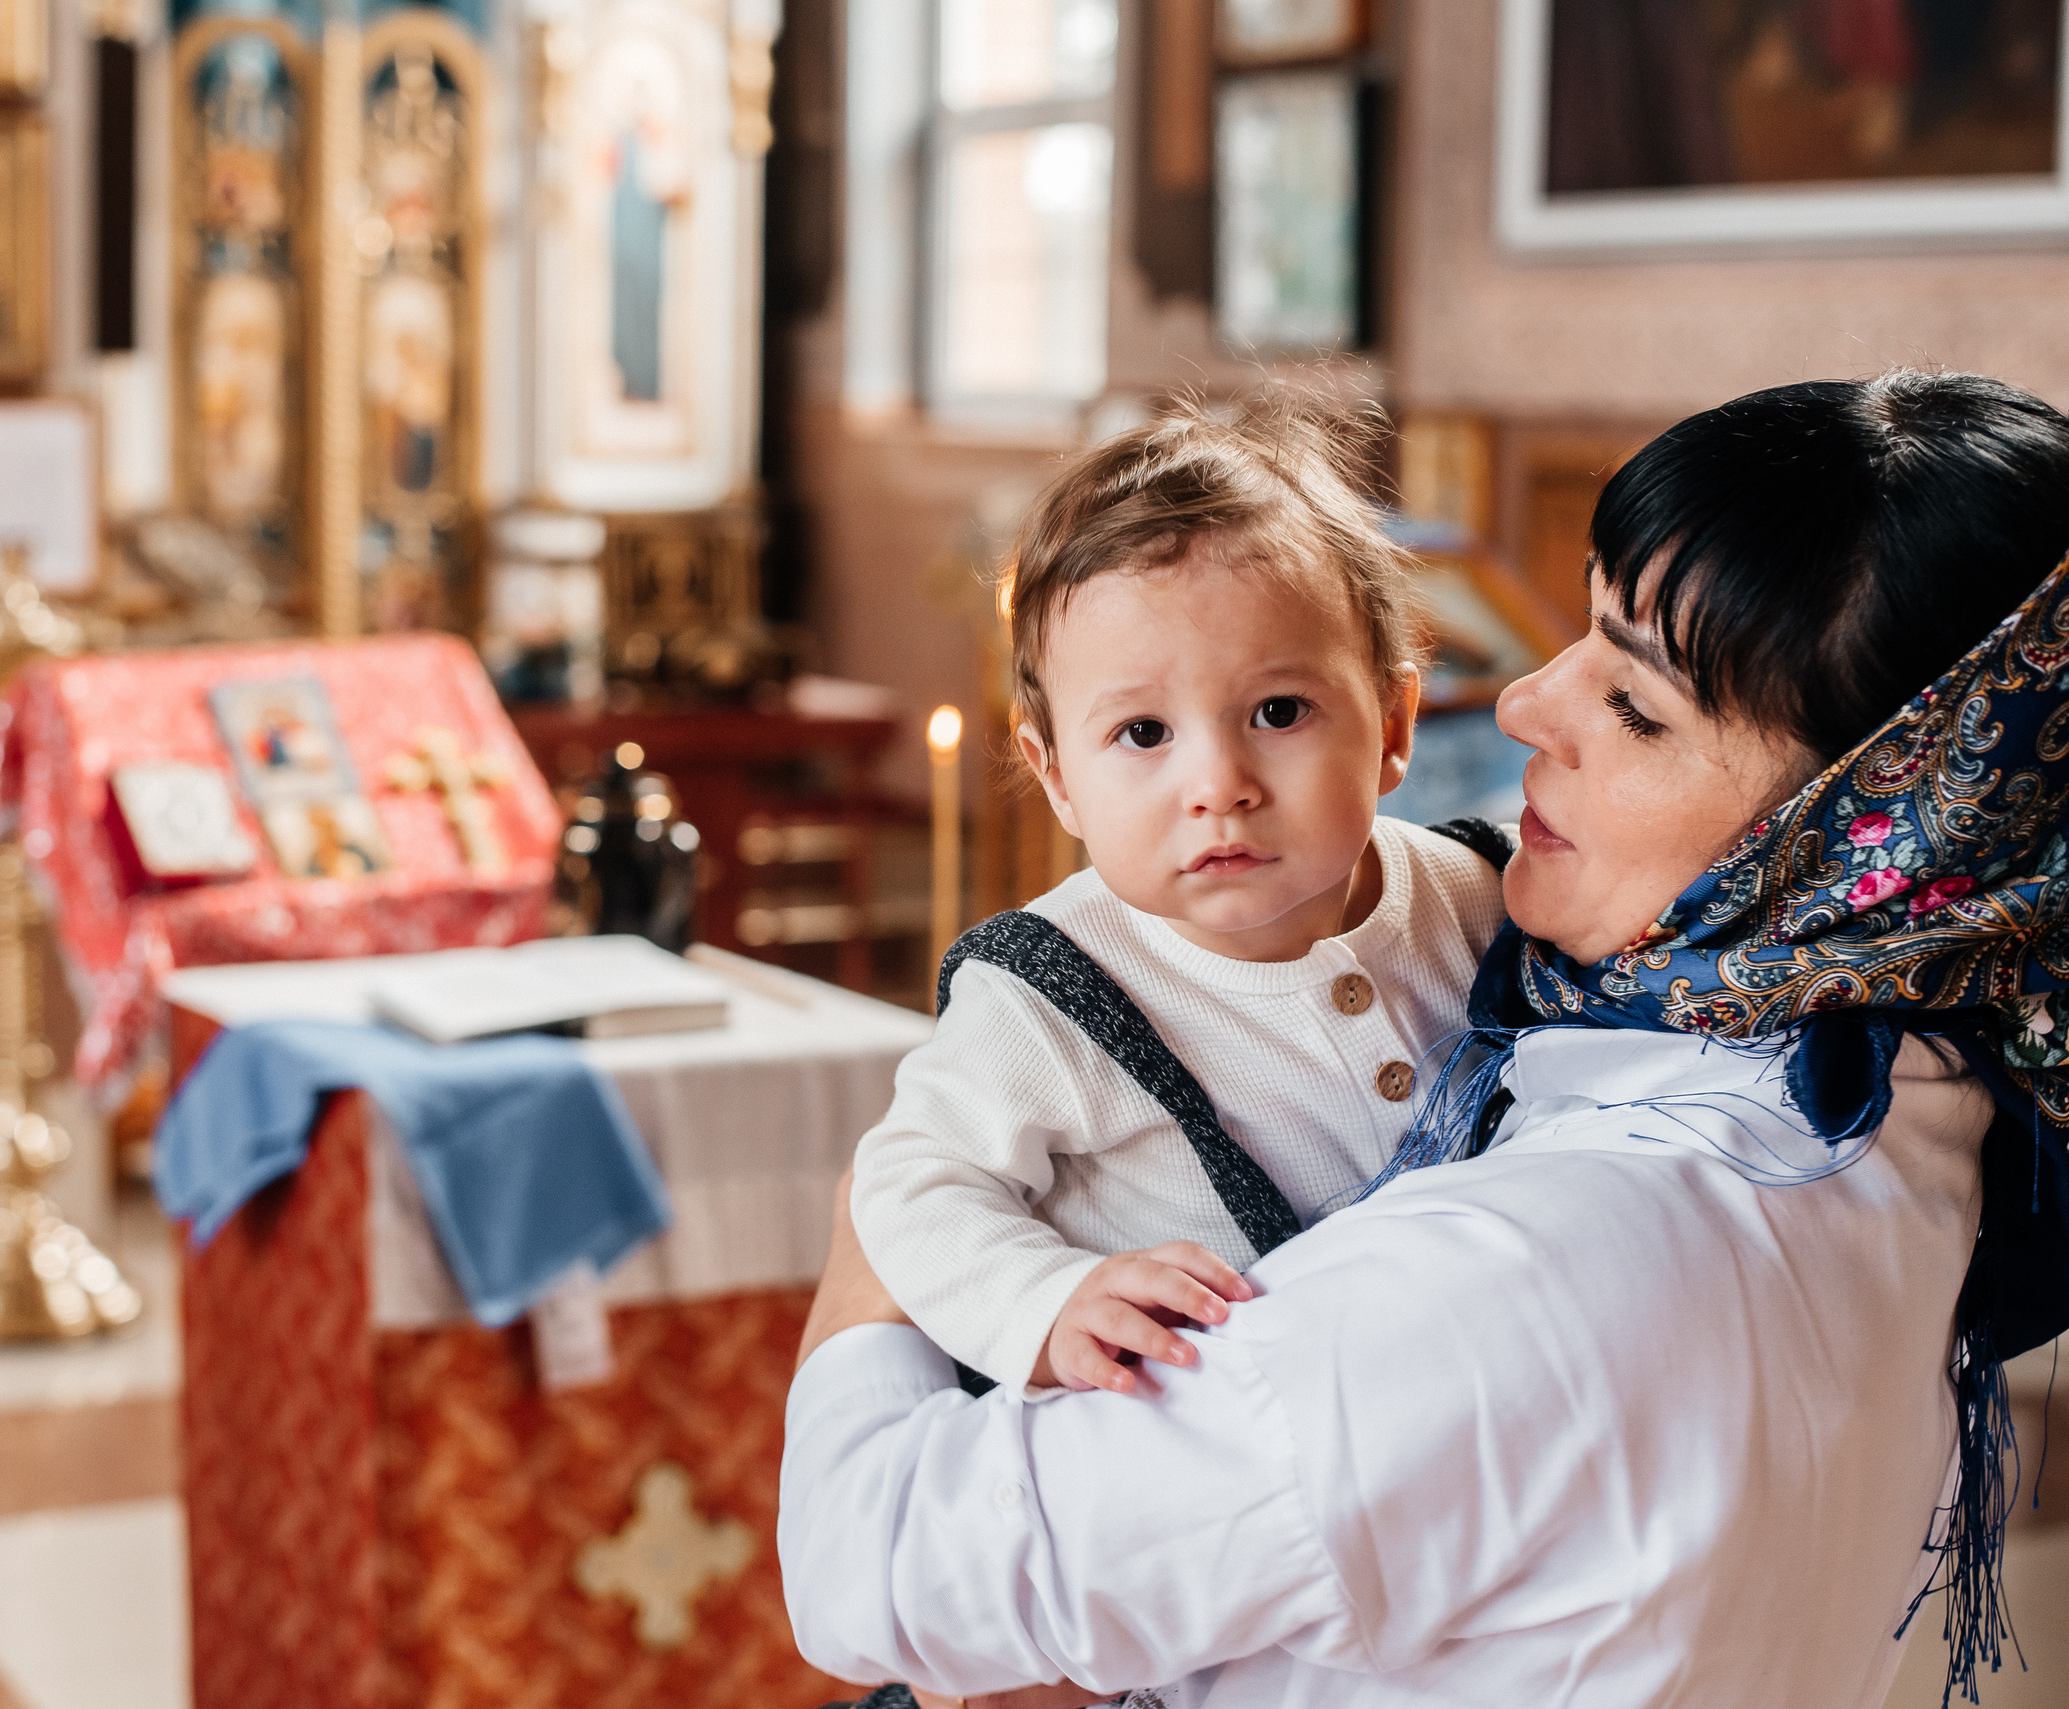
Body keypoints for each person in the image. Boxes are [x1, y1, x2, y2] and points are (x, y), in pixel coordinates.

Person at [781, 371, 2069, 1709]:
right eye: (1585, 634)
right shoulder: (1916, 1117)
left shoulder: (1531, 1271)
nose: (1522, 703)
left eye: (1636, 705)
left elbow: (873, 1575)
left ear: (1880, 833)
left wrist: (857, 1260)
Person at [849, 400, 1506, 1401]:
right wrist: (1050, 1295)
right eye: (1144, 734)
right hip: (1190, 1445)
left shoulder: (1477, 895)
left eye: (1277, 711)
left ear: (1389, 724)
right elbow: (910, 1181)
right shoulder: (1052, 993)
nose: (1218, 782)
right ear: (1058, 775)